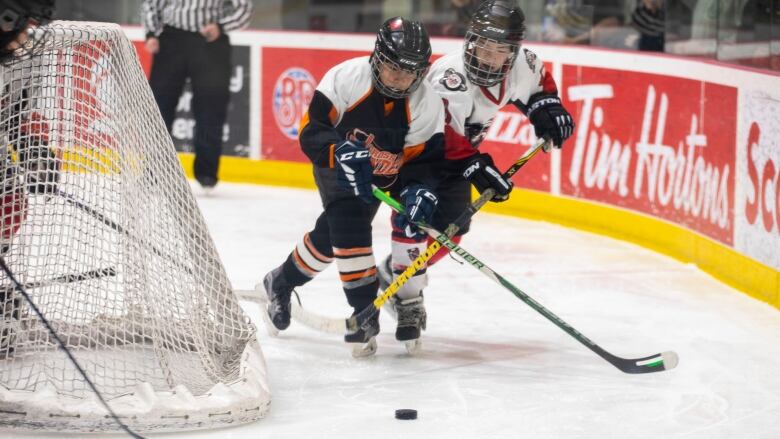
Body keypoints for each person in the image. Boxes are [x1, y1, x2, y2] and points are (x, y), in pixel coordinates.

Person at [377, 0, 575, 349]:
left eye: (499, 49)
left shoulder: (525, 64)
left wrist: (547, 109)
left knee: (450, 234)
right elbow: (443, 134)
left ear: (513, 52)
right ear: (470, 41)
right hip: (418, 153)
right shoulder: (450, 77)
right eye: (482, 44)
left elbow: (539, 87)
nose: (487, 56)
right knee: (415, 219)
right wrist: (478, 166)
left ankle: (393, 271)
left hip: (457, 159)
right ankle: (407, 300)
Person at [258, 17, 445, 357]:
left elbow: (425, 161)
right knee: (348, 223)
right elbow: (311, 130)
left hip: (387, 169)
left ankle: (280, 280)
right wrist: (338, 150)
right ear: (377, 57)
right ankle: (364, 311)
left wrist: (419, 189)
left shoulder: (426, 102)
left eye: (410, 72)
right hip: (338, 162)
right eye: (392, 68)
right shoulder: (346, 78)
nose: (401, 78)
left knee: (329, 238)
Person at [142, 0, 253, 190]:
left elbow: (244, 8)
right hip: (171, 41)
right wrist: (151, 33)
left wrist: (220, 26)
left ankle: (207, 173)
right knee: (159, 108)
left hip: (210, 42)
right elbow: (152, 4)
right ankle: (154, 170)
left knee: (211, 108)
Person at [0, 0, 58, 357]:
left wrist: (34, 146)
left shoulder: (29, 56)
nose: (31, 36)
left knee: (10, 202)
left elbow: (22, 112)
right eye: (27, 25)